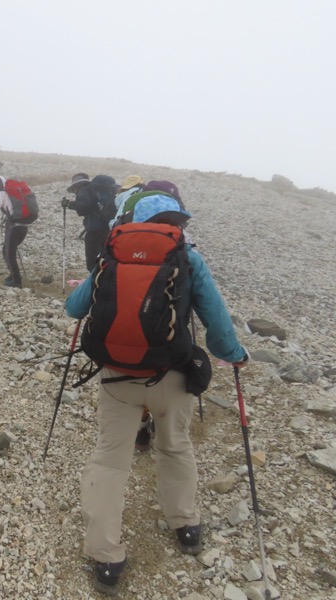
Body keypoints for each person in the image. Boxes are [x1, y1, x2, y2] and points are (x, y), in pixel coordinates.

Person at [64, 193, 249, 595]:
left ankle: (105, 556)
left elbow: (73, 307)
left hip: (117, 374)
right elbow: (216, 321)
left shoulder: (109, 253)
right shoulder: (187, 258)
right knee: (175, 447)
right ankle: (185, 525)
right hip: (170, 375)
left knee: (110, 460)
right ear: (174, 223)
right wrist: (235, 355)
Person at [64, 173, 117, 271]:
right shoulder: (99, 191)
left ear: (76, 185)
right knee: (105, 255)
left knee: (92, 259)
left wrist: (69, 204)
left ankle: (94, 280)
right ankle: (104, 277)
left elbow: (84, 205)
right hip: (109, 227)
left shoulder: (83, 191)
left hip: (94, 229)